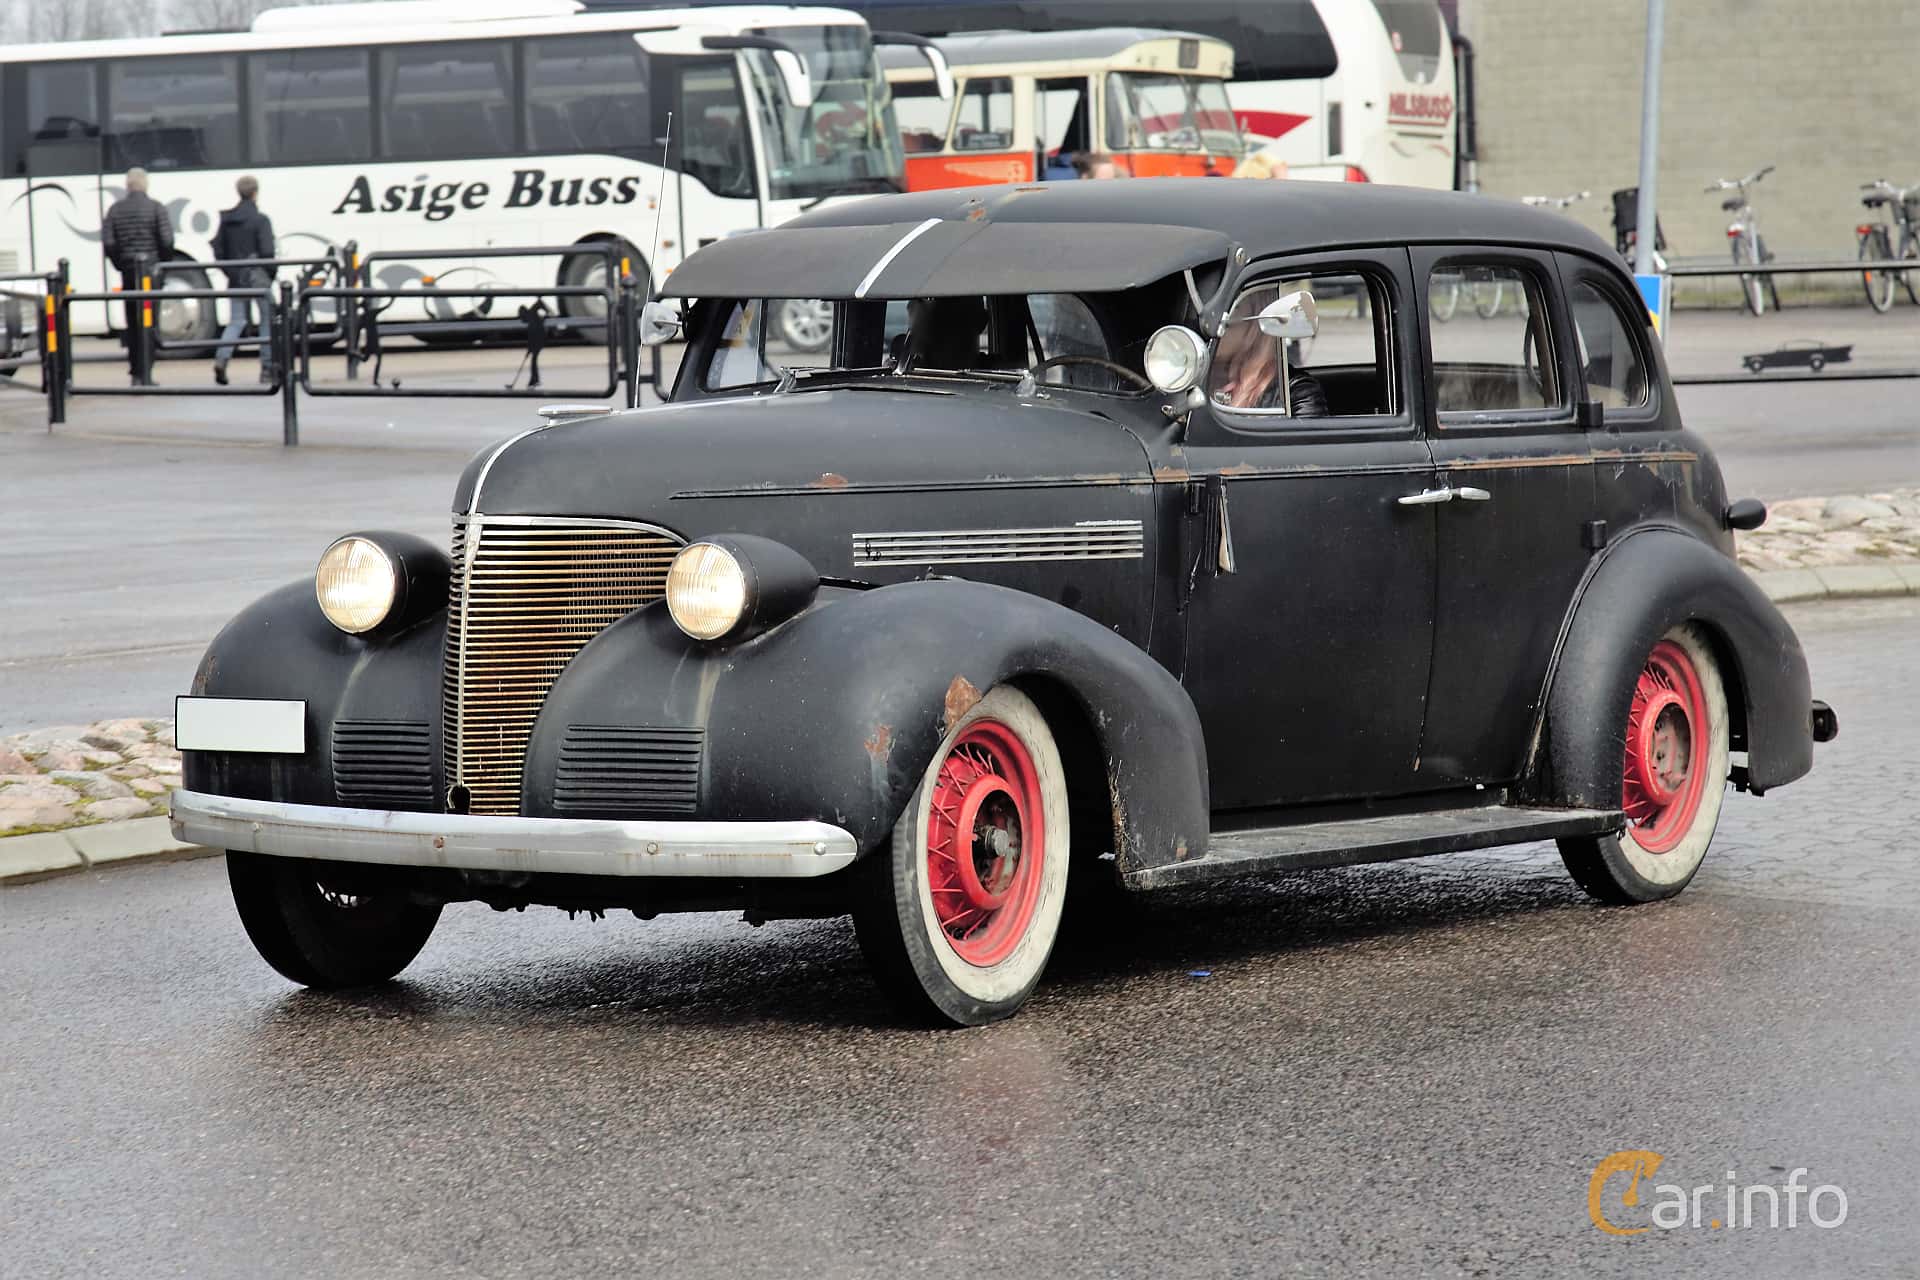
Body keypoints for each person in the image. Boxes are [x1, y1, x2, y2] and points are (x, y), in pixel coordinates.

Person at [100, 168, 173, 386]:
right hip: (150, 274)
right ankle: (147, 370)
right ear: (145, 184)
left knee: (132, 322)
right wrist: (161, 264)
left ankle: (135, 372)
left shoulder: (115, 210)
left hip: (129, 273)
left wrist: (121, 263)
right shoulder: (156, 208)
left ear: (127, 185)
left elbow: (109, 242)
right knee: (149, 321)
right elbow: (167, 241)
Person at [211, 174, 277, 385]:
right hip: (258, 277)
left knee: (237, 321)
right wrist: (271, 274)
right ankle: (267, 368)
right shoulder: (261, 220)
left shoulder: (227, 221)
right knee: (267, 320)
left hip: (236, 277)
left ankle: (222, 359)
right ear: (255, 193)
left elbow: (218, 250)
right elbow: (267, 251)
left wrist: (229, 272)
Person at [1209, 308, 1328, 416]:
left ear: (1255, 322)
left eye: (1233, 309)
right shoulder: (1199, 378)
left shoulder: (1294, 391)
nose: (1211, 322)